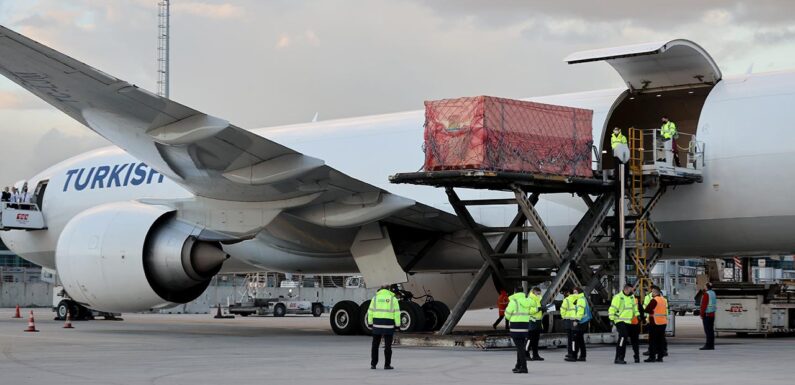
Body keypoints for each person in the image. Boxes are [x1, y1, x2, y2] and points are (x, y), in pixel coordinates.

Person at [367, 285, 401, 370]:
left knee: (375, 345)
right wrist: (397, 325)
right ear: (389, 289)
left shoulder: (375, 298)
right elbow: (397, 313)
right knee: (388, 346)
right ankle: (387, 365)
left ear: (381, 289)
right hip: (388, 325)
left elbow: (370, 311)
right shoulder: (393, 299)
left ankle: (373, 364)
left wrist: (370, 323)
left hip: (377, 324)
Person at [504, 287, 532, 374]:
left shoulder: (514, 301)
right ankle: (518, 365)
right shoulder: (527, 301)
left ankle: (524, 367)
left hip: (515, 327)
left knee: (520, 348)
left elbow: (507, 315)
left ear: (515, 292)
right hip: (525, 326)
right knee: (520, 347)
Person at [609, 284, 639, 364]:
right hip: (619, 320)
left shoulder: (632, 297)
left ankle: (620, 358)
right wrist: (612, 319)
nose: (633, 291)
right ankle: (619, 357)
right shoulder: (618, 297)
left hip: (628, 321)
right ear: (627, 289)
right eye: (631, 289)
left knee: (624, 339)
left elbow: (634, 307)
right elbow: (612, 308)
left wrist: (637, 315)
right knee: (623, 337)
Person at [644, 286, 668, 362]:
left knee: (652, 341)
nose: (651, 294)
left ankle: (652, 357)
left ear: (655, 292)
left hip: (654, 322)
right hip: (663, 322)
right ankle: (660, 357)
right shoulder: (664, 300)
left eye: (652, 292)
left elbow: (647, 310)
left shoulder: (654, 300)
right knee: (660, 340)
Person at [560, 288, 584, 362]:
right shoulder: (580, 299)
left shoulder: (566, 300)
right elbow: (580, 311)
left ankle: (571, 354)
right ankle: (574, 354)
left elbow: (562, 309)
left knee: (570, 339)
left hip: (568, 320)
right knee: (575, 339)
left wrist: (564, 317)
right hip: (575, 321)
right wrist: (577, 319)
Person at [526, 287, 544, 361]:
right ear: (533, 292)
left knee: (536, 340)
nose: (539, 295)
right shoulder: (529, 300)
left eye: (539, 293)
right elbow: (528, 311)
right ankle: (526, 354)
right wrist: (538, 309)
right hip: (531, 322)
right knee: (530, 339)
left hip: (538, 322)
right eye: (537, 293)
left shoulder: (539, 300)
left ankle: (535, 355)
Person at [700, 282, 717, 350]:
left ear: (706, 287)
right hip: (712, 314)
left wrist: (701, 314)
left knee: (707, 331)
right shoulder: (713, 293)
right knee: (711, 331)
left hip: (707, 315)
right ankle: (711, 345)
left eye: (704, 286)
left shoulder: (706, 294)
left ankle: (708, 345)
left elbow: (704, 305)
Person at [627, 294, 642, 363]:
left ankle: (620, 357)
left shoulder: (621, 300)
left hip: (625, 324)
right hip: (635, 324)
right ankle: (637, 357)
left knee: (622, 341)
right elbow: (641, 312)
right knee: (635, 342)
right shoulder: (636, 301)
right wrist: (640, 320)